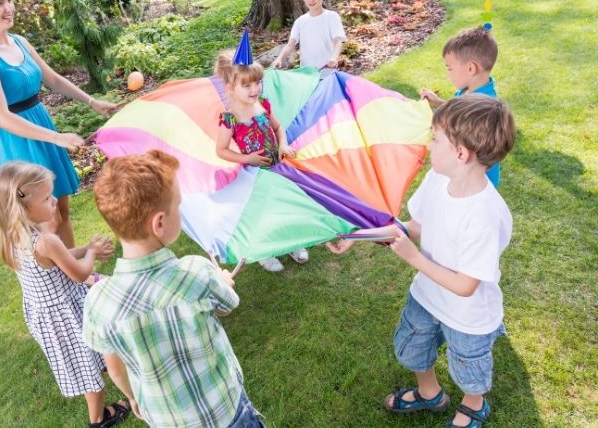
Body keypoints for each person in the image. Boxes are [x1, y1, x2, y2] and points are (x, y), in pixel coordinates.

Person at [328, 96, 516, 428]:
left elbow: (466, 285)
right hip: (427, 297)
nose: (427, 145)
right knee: (411, 347)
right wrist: (357, 236)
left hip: (467, 317)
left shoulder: (484, 214)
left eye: (435, 138)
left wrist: (414, 259)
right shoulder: (437, 180)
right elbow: (416, 227)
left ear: (461, 154)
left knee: (468, 368)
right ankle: (429, 393)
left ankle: (474, 405)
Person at [83, 150, 264, 428]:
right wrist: (223, 280)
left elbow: (115, 368)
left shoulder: (97, 301)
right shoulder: (196, 272)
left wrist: (132, 397)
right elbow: (228, 305)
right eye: (178, 206)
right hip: (226, 412)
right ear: (159, 223)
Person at [0, 0, 117, 249]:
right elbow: (0, 116)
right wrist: (57, 138)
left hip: (41, 125)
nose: (8, 8)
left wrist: (92, 102)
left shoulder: (19, 41)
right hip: (17, 139)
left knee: (63, 211)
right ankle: (58, 283)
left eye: (9, 0)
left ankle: (76, 278)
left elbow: (54, 79)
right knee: (47, 222)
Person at [0, 161, 129, 428]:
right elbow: (78, 273)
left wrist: (83, 249)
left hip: (46, 316)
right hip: (67, 314)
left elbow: (58, 259)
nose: (54, 201)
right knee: (90, 371)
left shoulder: (13, 235)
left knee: (86, 361)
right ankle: (98, 419)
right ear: (24, 206)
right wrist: (90, 253)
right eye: (46, 197)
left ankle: (99, 409)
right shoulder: (47, 240)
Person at [214, 32, 309, 272]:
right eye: (247, 85)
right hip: (255, 174)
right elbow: (221, 150)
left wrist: (283, 145)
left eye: (257, 82)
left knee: (284, 205)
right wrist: (247, 158)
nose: (255, 88)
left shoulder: (263, 104)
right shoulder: (230, 119)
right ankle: (266, 252)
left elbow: (278, 128)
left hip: (277, 166)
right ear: (231, 88)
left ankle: (294, 242)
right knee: (264, 214)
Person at [419, 26, 502, 187]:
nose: (448, 74)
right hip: (463, 173)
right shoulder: (467, 91)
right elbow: (457, 111)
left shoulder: (483, 108)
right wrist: (438, 102)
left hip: (475, 181)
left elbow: (467, 142)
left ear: (471, 68)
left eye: (450, 68)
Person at [273, 0, 346, 76]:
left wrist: (333, 57)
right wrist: (279, 59)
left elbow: (338, 41)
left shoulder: (331, 17)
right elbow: (290, 45)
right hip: (307, 74)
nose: (311, 0)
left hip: (327, 71)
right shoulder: (300, 22)